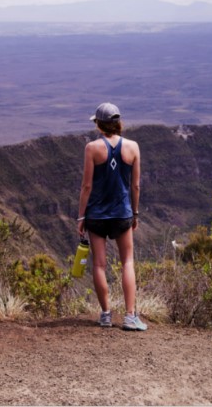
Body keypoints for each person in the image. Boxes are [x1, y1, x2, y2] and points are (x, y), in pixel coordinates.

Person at [77, 102, 147, 331]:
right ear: (118, 122)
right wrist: (135, 213)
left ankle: (106, 315)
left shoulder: (92, 148)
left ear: (99, 124)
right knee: (127, 262)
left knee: (99, 264)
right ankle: (129, 316)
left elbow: (86, 186)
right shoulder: (133, 147)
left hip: (96, 214)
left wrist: (81, 217)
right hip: (122, 213)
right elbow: (135, 186)